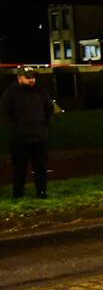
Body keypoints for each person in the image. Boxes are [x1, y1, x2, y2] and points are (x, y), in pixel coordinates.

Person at [1, 66, 55, 200]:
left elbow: (50, 108)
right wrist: (15, 129)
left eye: (33, 77)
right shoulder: (10, 93)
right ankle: (18, 194)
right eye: (28, 77)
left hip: (39, 137)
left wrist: (44, 125)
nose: (32, 80)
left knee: (40, 167)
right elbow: (5, 112)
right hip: (20, 139)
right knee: (19, 167)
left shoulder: (41, 91)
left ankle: (41, 192)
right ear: (19, 78)